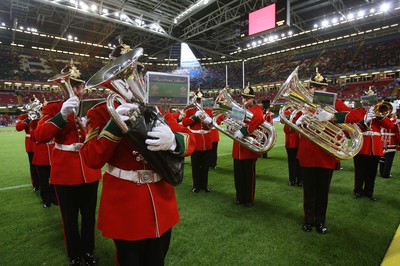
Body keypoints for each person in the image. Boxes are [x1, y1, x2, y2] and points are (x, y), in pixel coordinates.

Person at [80, 47, 195, 265]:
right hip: (126, 207)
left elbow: (190, 141)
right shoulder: (99, 112)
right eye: (124, 76)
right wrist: (114, 124)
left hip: (161, 202)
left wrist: (173, 141)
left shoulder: (157, 108)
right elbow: (92, 160)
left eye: (137, 73)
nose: (133, 80)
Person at [35, 66, 102, 265]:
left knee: (89, 216)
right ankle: (74, 254)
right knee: (69, 218)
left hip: (89, 169)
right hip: (65, 170)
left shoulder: (89, 108)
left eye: (80, 87)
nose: (79, 91)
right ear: (63, 89)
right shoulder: (53, 108)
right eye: (74, 86)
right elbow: (40, 136)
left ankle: (88, 251)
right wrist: (62, 116)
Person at [295, 69, 365, 234]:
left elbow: (359, 114)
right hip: (307, 155)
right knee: (308, 192)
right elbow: (289, 130)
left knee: (323, 193)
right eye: (313, 87)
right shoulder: (303, 105)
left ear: (326, 89)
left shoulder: (334, 104)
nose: (316, 90)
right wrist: (298, 120)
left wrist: (334, 117)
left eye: (321, 87)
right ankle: (308, 220)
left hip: (326, 155)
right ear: (309, 88)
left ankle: (320, 222)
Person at [354, 99, 394, 200]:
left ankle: (369, 193)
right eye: (367, 103)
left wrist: (380, 117)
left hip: (375, 148)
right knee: (360, 172)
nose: (369, 105)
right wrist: (365, 120)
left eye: (371, 103)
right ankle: (358, 191)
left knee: (371, 173)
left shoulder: (378, 114)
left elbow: (390, 126)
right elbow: (355, 127)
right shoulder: (358, 112)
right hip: (362, 146)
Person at [231, 85, 264, 207]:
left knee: (249, 176)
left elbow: (259, 119)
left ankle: (249, 199)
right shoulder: (239, 109)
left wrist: (245, 130)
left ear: (252, 98)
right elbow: (233, 123)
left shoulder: (257, 108)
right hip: (238, 148)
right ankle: (240, 198)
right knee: (238, 176)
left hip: (249, 148)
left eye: (248, 98)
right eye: (243, 97)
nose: (245, 100)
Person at [182, 90, 214, 192]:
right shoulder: (190, 111)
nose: (200, 102)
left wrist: (210, 120)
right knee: (195, 166)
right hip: (196, 141)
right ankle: (196, 185)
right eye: (198, 100)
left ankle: (204, 185)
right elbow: (184, 123)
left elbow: (212, 125)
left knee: (205, 166)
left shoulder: (208, 110)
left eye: (201, 100)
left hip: (206, 140)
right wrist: (194, 116)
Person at [15, 97, 39, 191]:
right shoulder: (25, 116)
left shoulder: (42, 114)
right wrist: (29, 118)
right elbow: (19, 127)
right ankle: (36, 184)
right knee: (33, 166)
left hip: (42, 143)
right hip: (31, 144)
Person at [283, 107, 302, 187]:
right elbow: (285, 126)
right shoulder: (287, 112)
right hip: (291, 141)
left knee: (300, 162)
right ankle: (292, 179)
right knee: (292, 162)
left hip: (301, 141)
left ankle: (300, 180)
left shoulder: (302, 112)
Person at [379, 102, 400, 178]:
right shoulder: (396, 121)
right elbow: (398, 132)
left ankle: (381, 173)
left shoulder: (381, 120)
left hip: (381, 141)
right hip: (391, 141)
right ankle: (386, 174)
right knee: (389, 159)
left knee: (382, 158)